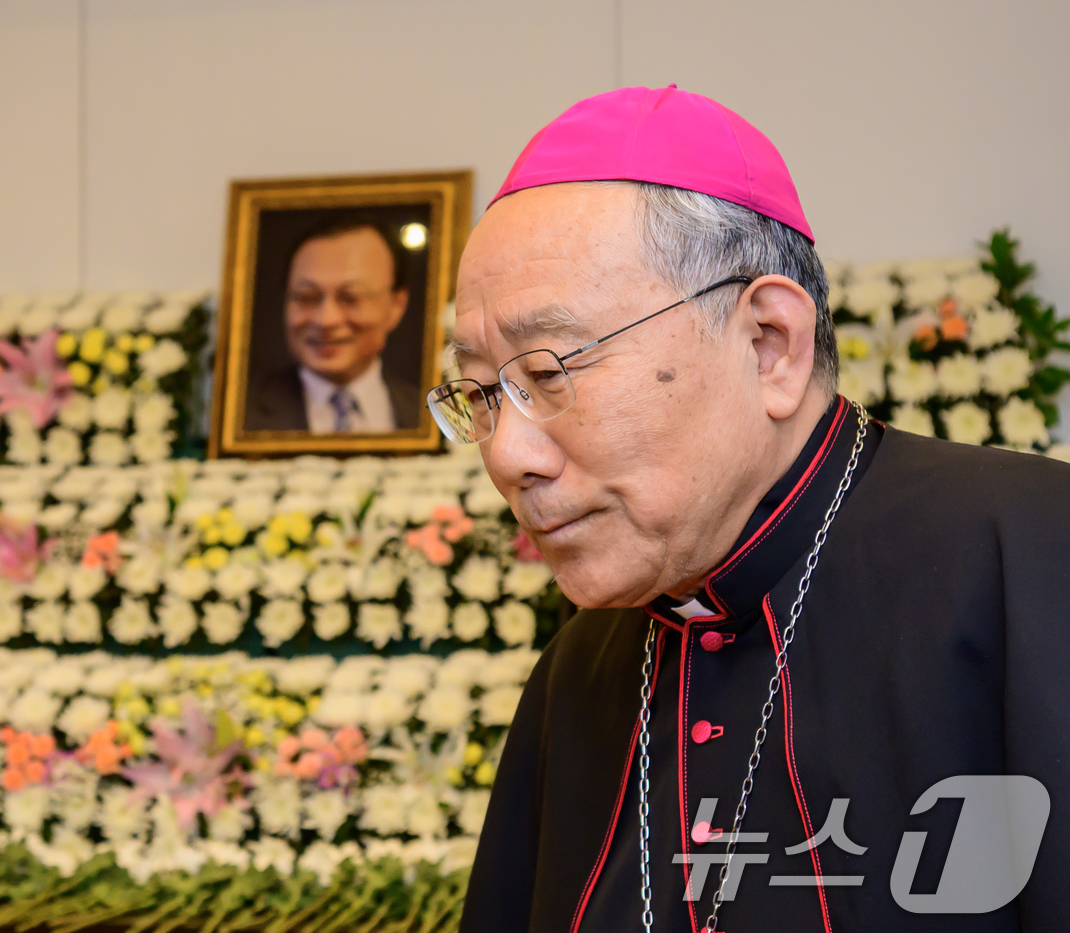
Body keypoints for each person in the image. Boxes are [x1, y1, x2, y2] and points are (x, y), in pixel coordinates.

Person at [433, 85, 1070, 931]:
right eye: (478, 391)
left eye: (549, 374)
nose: (506, 456)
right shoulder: (576, 674)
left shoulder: (1030, 552)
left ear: (769, 343)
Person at [243, 215, 421, 433]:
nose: (325, 320)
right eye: (305, 297)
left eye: (350, 298)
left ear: (396, 306)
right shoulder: (240, 415)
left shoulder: (430, 417)